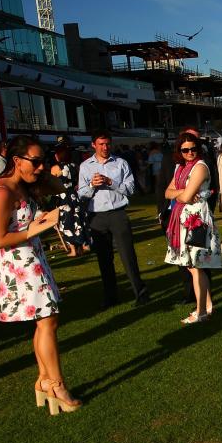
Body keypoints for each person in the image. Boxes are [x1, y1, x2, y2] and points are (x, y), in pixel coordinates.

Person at [0, 135, 80, 414]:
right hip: (20, 262)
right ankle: (57, 383)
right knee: (48, 320)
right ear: (16, 161)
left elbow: (61, 186)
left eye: (44, 160)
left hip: (34, 258)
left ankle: (44, 380)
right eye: (36, 161)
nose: (41, 167)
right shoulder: (3, 191)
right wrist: (37, 228)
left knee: (45, 322)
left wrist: (40, 175)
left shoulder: (25, 185)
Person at [78, 131, 149, 309]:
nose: (105, 147)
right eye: (101, 144)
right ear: (94, 145)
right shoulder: (85, 166)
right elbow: (81, 194)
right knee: (104, 259)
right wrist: (91, 186)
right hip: (97, 216)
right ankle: (111, 296)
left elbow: (131, 189)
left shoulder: (120, 163)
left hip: (118, 213)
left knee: (127, 255)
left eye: (107, 144)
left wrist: (111, 182)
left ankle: (140, 293)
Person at [164, 133, 222, 323]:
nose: (189, 153)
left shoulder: (200, 167)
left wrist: (181, 194)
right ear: (179, 151)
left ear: (198, 148)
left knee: (196, 265)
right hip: (184, 217)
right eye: (185, 150)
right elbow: (167, 193)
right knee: (192, 265)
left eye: (193, 149)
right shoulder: (180, 167)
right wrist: (182, 192)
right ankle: (208, 306)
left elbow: (186, 197)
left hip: (196, 219)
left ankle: (201, 312)